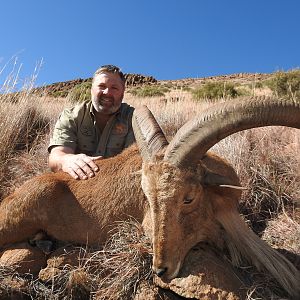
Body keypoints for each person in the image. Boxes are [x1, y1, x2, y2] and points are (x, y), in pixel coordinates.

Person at [48, 65, 135, 180]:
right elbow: (56, 157)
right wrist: (66, 160)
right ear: (92, 89)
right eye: (101, 86)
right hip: (78, 183)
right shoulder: (71, 116)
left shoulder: (133, 118)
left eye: (114, 88)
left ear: (123, 92)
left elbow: (136, 161)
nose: (107, 92)